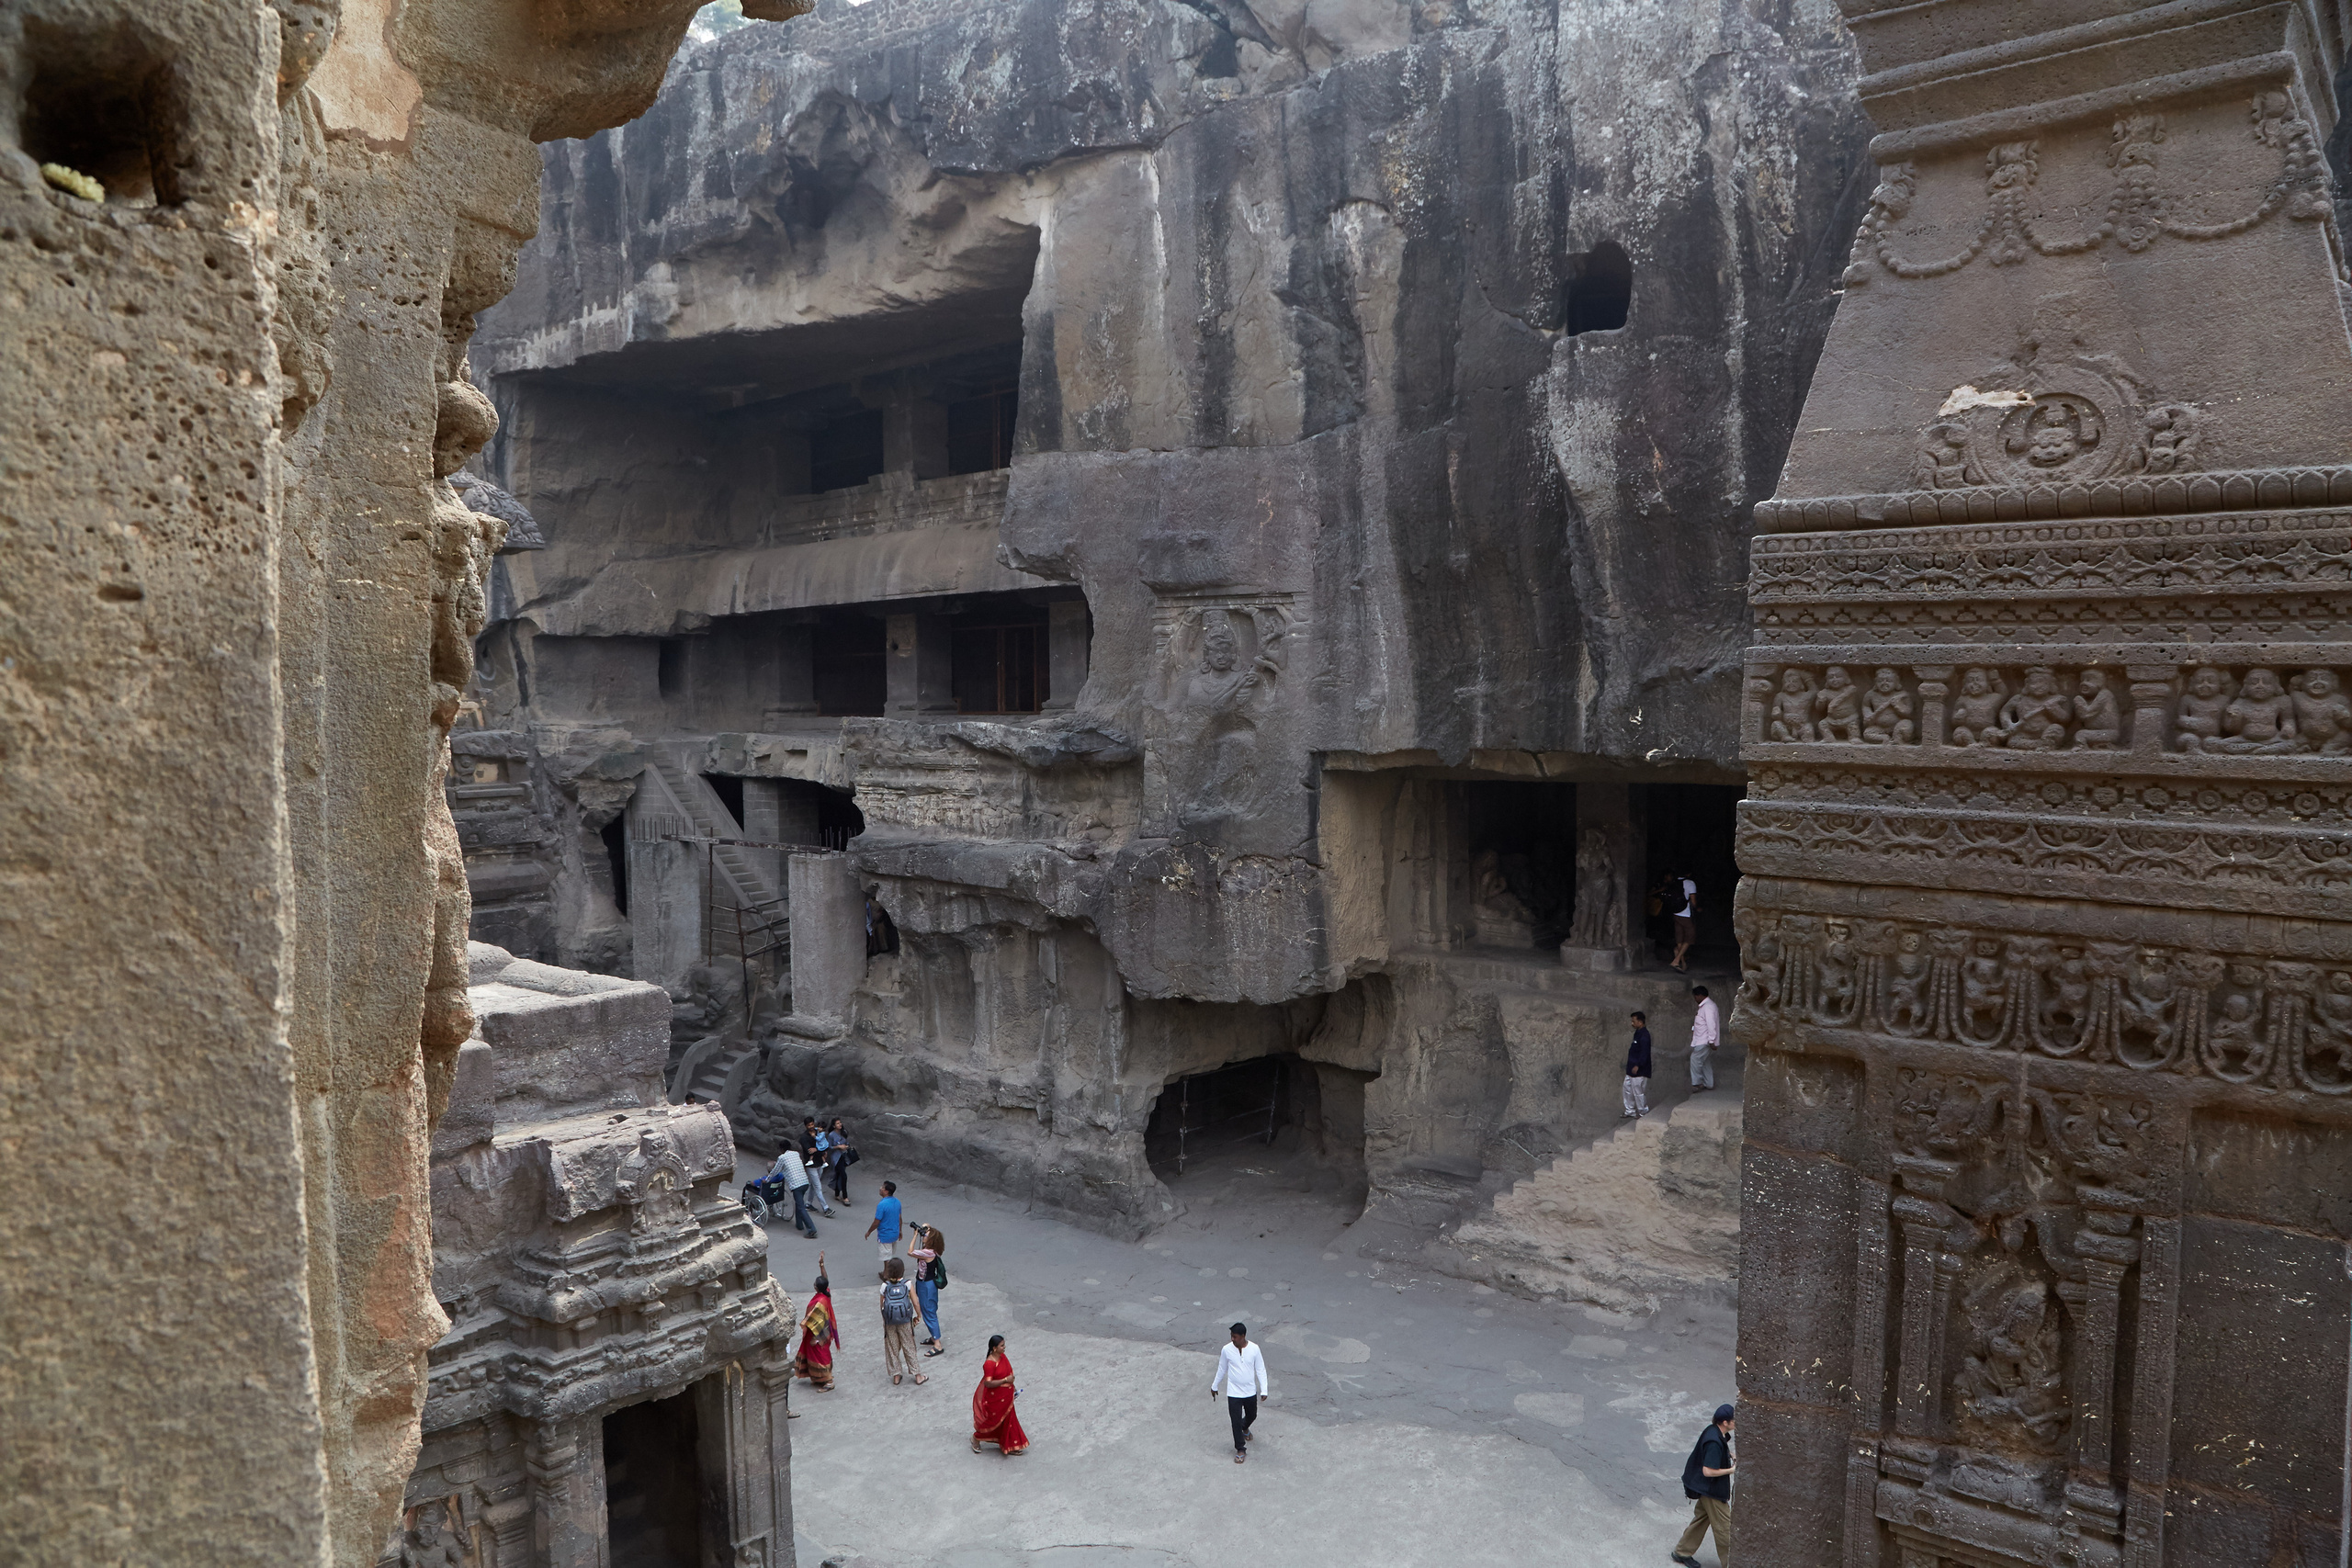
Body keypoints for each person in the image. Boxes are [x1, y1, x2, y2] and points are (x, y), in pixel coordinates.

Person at [1670, 1403, 1735, 1567]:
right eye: (1735, 1420)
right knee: (1725, 1530)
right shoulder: (1714, 1442)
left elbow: (1715, 1452)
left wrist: (1729, 1455)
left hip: (1703, 1487)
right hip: (1711, 1490)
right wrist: (1731, 1470)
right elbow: (1708, 1471)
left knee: (1701, 1520)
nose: (1737, 1422)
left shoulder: (1712, 1430)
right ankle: (1733, 1564)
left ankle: (1682, 1552)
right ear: (1725, 1422)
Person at [1211, 1321, 1271, 1464]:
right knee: (1235, 1421)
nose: (1232, 1339)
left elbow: (1261, 1369)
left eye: (1235, 1337)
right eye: (1231, 1336)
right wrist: (1214, 1386)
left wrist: (1264, 1389)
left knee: (1252, 1415)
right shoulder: (1226, 1350)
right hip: (1234, 1393)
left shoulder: (1255, 1349)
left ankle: (1245, 1427)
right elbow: (1222, 1368)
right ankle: (1240, 1449)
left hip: (1250, 1391)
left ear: (1243, 1336)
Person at [971, 1334, 1029, 1456]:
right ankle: (976, 1438)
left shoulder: (1003, 1357)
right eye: (1002, 1346)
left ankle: (1010, 1445)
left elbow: (1008, 1374)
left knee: (1009, 1421)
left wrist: (1012, 1387)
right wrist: (1005, 1381)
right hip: (996, 1399)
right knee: (994, 1422)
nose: (1004, 1347)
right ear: (994, 1348)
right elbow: (988, 1383)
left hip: (1007, 1397)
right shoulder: (990, 1364)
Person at [793, 1257, 840, 1392]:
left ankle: (829, 1381)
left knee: (821, 1355)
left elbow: (818, 1322)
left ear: (816, 1287)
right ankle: (819, 1378)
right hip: (823, 1332)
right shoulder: (826, 1295)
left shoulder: (820, 1302)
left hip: (820, 1333)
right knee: (819, 1353)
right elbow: (826, 1279)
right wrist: (822, 1265)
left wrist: (817, 1338)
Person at [878, 1258, 926, 1385]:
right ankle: (917, 1375)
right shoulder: (907, 1284)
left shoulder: (885, 1286)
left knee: (892, 1348)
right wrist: (918, 1316)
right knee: (909, 1346)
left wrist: (886, 1320)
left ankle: (896, 1375)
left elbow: (882, 1305)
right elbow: (915, 1302)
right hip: (905, 1321)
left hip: (890, 1322)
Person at [908, 1224, 947, 1356]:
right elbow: (928, 1226)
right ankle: (933, 1337)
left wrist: (914, 1236)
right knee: (927, 1311)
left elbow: (910, 1252)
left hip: (927, 1286)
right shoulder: (931, 1248)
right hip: (923, 1283)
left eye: (925, 1235)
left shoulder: (928, 1252)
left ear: (930, 1240)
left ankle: (937, 1344)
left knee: (929, 1312)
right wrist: (926, 1226)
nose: (923, 1235)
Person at [772, 1144, 818, 1237]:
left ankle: (811, 1229)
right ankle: (799, 1224)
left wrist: (767, 1179)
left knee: (801, 1207)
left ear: (781, 1149)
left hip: (796, 1185)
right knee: (798, 1202)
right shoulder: (796, 1154)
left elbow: (775, 1170)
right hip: (805, 1182)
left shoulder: (782, 1157)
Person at [1689, 985, 1720, 1092]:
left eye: (1695, 997)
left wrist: (1711, 1040)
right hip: (1702, 1040)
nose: (1695, 999)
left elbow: (1711, 1024)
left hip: (1704, 1040)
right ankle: (1709, 1083)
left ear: (1700, 995)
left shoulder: (1708, 1007)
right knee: (1705, 1061)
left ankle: (1697, 1083)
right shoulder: (1707, 1006)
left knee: (1695, 1059)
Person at [1623, 1010, 1653, 1119]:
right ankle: (1630, 1110)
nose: (1632, 1023)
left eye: (1633, 1021)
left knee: (1638, 1091)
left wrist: (1638, 1065)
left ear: (1640, 1022)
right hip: (1631, 1069)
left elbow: (1644, 1053)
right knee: (1627, 1088)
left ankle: (1642, 1112)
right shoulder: (1638, 1033)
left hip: (1639, 1070)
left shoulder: (1645, 1035)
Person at [865, 1179, 903, 1264]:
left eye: (882, 1187)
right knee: (890, 1254)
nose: (880, 1188)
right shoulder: (897, 1202)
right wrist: (900, 1231)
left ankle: (886, 1274)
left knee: (886, 1258)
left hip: (885, 1235)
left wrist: (869, 1231)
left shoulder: (882, 1205)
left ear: (886, 1191)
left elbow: (876, 1222)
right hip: (895, 1233)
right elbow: (900, 1218)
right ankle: (887, 1273)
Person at [1671, 874, 1699, 971]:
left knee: (1680, 939)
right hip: (1686, 914)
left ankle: (1682, 963)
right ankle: (1676, 960)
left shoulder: (1674, 882)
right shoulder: (1690, 883)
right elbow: (1693, 902)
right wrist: (1698, 908)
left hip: (1675, 913)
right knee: (1690, 938)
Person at [828, 1117, 855, 1205]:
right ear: (834, 1126)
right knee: (844, 1175)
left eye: (840, 1123)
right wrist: (838, 1147)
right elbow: (829, 1147)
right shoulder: (831, 1135)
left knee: (839, 1174)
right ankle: (845, 1196)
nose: (840, 1124)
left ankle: (836, 1194)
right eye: (837, 1123)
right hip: (836, 1157)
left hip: (844, 1156)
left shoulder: (844, 1132)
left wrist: (846, 1146)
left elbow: (847, 1142)